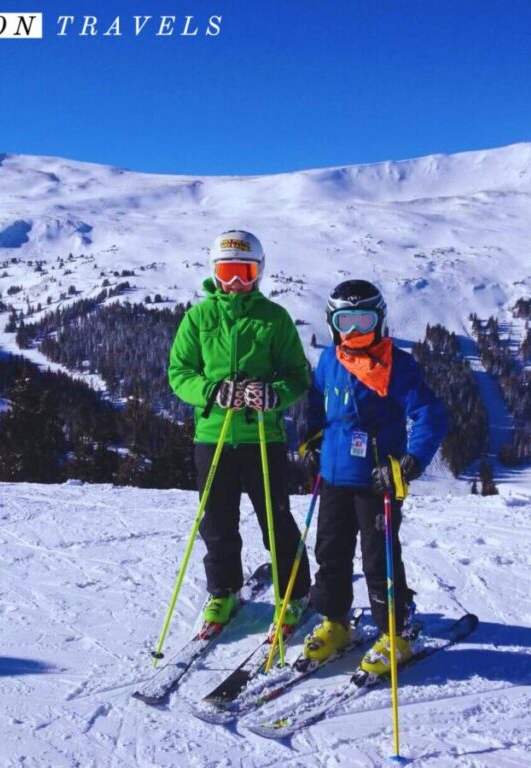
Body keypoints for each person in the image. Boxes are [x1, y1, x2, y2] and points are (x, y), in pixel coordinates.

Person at [168, 230, 312, 636]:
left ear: (259, 272)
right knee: (217, 522)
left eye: (244, 273)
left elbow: (297, 376)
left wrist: (273, 393)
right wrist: (212, 391)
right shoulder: (199, 318)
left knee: (276, 521)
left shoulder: (274, 318)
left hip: (262, 438)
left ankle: (294, 593)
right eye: (226, 272)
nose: (234, 282)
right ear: (213, 272)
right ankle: (223, 590)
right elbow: (179, 374)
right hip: (212, 436)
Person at [301, 279, 448, 674]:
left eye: (363, 321)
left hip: (377, 481)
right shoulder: (329, 360)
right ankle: (335, 621)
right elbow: (316, 405)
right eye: (345, 322)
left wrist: (409, 462)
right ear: (332, 324)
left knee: (378, 558)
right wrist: (309, 441)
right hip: (333, 475)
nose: (354, 332)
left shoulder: (397, 365)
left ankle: (396, 631)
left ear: (380, 321)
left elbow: (430, 415)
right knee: (329, 552)